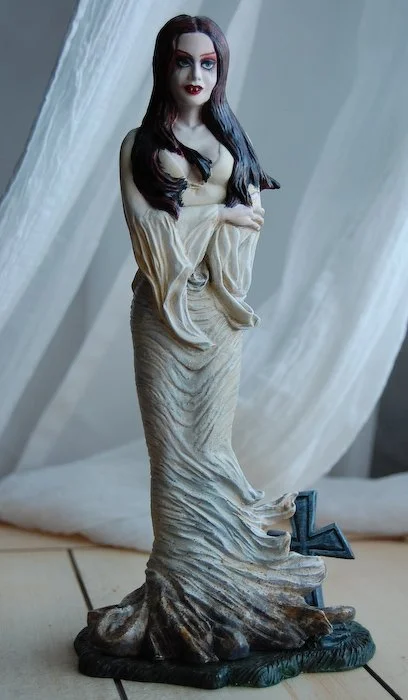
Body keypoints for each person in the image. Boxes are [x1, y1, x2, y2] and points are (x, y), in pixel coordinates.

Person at [87, 15, 351, 663]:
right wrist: (224, 213)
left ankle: (233, 591)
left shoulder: (228, 136)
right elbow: (153, 235)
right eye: (184, 61)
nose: (196, 75)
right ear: (164, 67)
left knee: (211, 447)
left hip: (218, 312)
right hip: (164, 313)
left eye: (208, 63)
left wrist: (229, 218)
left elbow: (249, 215)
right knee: (175, 458)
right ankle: (179, 601)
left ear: (220, 70)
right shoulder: (139, 145)